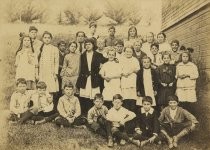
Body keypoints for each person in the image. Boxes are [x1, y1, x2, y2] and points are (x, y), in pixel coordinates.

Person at [76, 38, 107, 115]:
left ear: (93, 45)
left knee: (94, 97)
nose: (87, 46)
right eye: (86, 44)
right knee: (84, 98)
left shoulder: (98, 55)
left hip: (94, 78)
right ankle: (85, 115)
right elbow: (81, 68)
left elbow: (106, 61)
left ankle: (94, 114)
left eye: (89, 44)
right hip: (85, 78)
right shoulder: (83, 55)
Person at [38, 31, 59, 108]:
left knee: (50, 90)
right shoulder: (41, 48)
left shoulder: (54, 49)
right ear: (43, 39)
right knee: (42, 89)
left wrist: (55, 73)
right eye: (45, 38)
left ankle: (50, 108)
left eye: (48, 38)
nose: (47, 39)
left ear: (51, 39)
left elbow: (56, 62)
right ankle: (42, 107)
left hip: (51, 72)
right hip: (43, 72)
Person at [121, 46, 140, 112]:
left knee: (132, 99)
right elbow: (118, 70)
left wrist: (131, 71)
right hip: (124, 81)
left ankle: (132, 116)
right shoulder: (121, 59)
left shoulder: (135, 59)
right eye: (127, 51)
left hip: (132, 81)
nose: (128, 53)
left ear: (132, 52)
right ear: (124, 52)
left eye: (130, 51)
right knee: (125, 99)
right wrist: (123, 74)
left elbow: (138, 69)